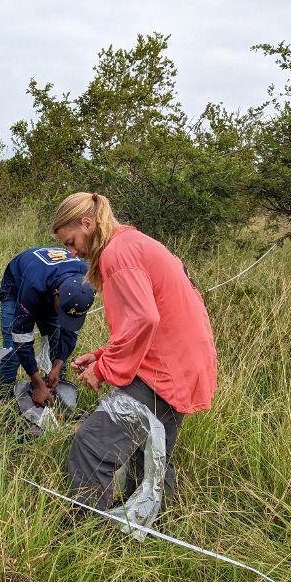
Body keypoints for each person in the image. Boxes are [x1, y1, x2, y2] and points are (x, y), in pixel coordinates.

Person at [51, 192, 217, 531]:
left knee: (92, 445)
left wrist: (104, 368)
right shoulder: (131, 243)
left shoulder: (117, 253)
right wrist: (101, 354)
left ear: (87, 223)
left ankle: (80, 533)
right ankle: (153, 533)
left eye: (72, 241)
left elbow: (143, 320)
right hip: (184, 364)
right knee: (152, 455)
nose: (73, 252)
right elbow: (146, 320)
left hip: (165, 370)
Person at [0, 248, 96, 406]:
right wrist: (36, 382)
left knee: (57, 351)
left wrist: (58, 364)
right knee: (12, 353)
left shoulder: (85, 283)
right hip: (16, 289)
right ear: (56, 295)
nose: (65, 318)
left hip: (51, 285)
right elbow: (21, 337)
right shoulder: (33, 283)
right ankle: (4, 405)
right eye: (63, 312)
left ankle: (54, 404)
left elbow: (70, 332)